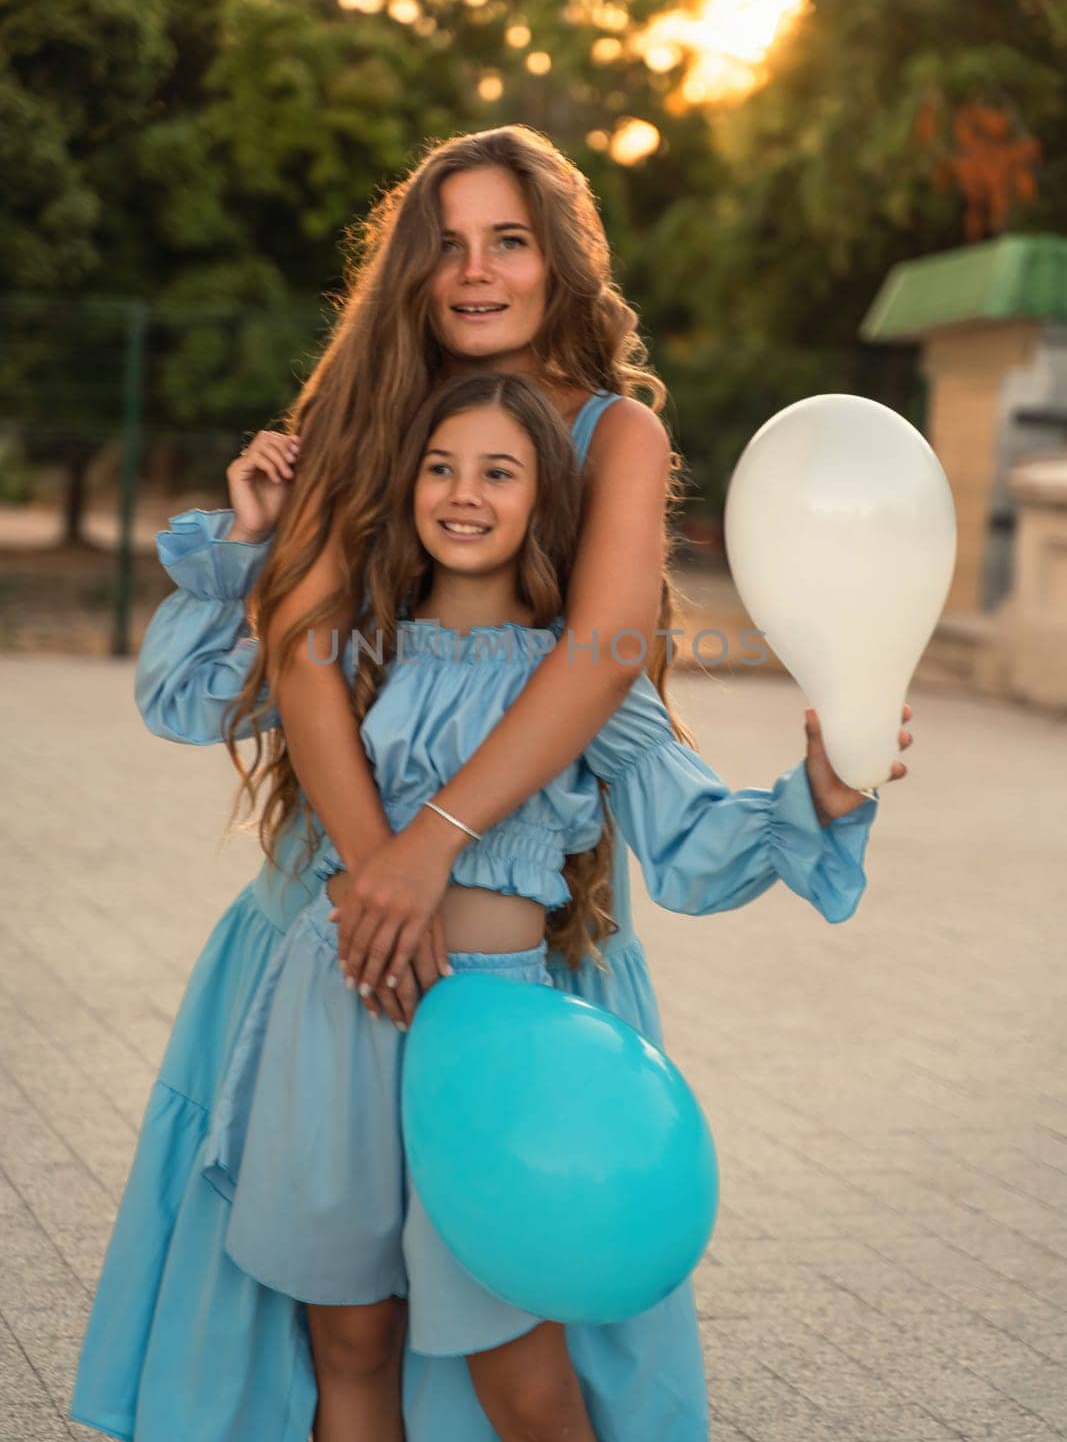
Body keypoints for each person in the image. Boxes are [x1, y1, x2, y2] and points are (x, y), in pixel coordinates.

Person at [71, 124, 911, 1442]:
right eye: (446, 245)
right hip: (331, 939)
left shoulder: (609, 431)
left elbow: (604, 654)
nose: (476, 272)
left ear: (556, 260)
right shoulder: (356, 421)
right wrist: (372, 876)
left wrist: (426, 854)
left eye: (507, 240)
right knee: (341, 1324)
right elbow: (280, 658)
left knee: (514, 1324)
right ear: (406, 270)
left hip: (510, 980)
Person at [203, 369, 901, 1442]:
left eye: (498, 471)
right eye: (438, 466)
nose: (462, 492)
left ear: (545, 505)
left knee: (516, 1368)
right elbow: (191, 689)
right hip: (333, 1009)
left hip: (493, 1042)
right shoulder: (355, 651)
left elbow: (693, 834)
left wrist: (823, 790)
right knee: (347, 1344)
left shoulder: (582, 686)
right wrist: (250, 540)